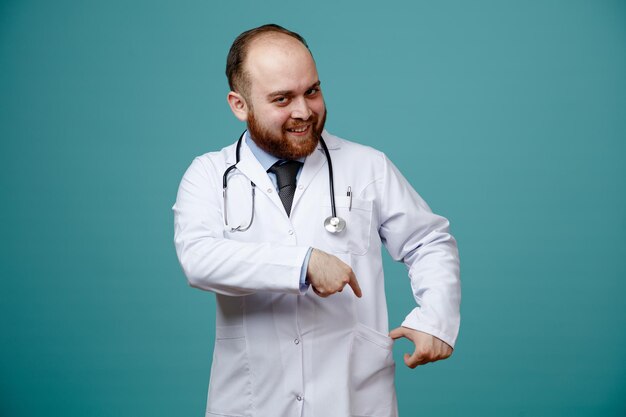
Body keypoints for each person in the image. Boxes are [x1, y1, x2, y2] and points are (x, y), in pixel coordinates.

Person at [173, 24, 461, 417]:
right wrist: (304, 263)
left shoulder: (366, 166)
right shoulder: (208, 175)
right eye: (281, 99)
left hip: (353, 400)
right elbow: (200, 259)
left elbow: (428, 241)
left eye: (312, 90)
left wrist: (436, 318)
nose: (304, 111)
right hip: (251, 403)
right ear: (239, 104)